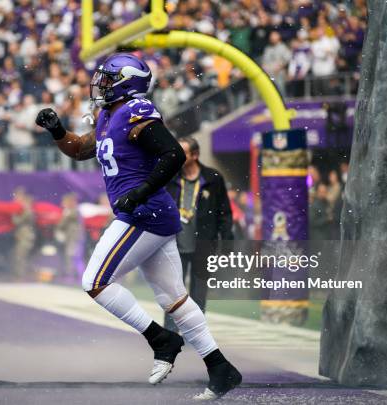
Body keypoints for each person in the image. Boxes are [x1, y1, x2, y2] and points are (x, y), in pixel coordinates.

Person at [35, 53, 241, 400]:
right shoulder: (108, 114)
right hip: (150, 214)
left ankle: (162, 340)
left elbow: (173, 153)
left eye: (107, 80)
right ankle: (221, 368)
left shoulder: (136, 111)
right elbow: (82, 148)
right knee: (174, 299)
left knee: (96, 281)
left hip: (144, 213)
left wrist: (142, 192)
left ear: (126, 82)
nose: (100, 86)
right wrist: (57, 130)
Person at [164, 137, 233, 331]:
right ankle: (170, 332)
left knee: (199, 291)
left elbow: (224, 213)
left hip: (203, 243)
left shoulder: (213, 178)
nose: (177, 155)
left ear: (195, 155)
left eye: (183, 152)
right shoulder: (170, 177)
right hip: (174, 243)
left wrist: (226, 242)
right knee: (173, 291)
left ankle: (194, 331)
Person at [11, 188, 35, 280]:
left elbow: (17, 221)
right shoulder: (24, 209)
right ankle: (21, 275)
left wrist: (13, 214)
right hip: (22, 236)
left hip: (26, 237)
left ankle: (22, 276)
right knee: (20, 256)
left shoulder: (27, 210)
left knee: (21, 257)